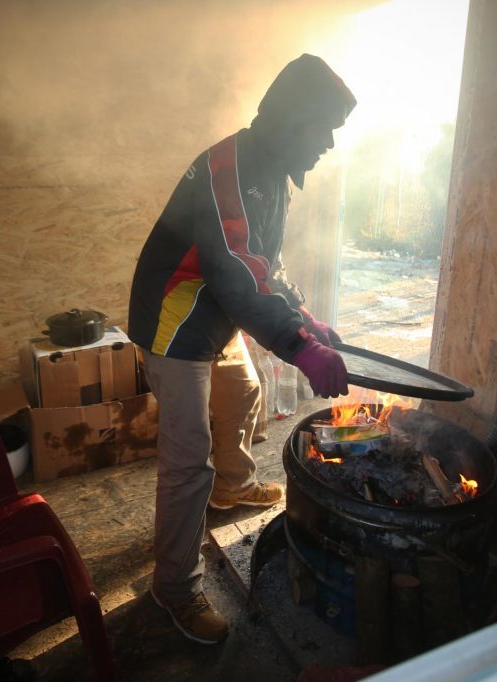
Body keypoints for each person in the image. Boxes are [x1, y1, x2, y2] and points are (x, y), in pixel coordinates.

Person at [127, 53, 355, 644]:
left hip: (213, 310)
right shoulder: (229, 168)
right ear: (294, 118)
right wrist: (299, 346)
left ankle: (231, 487)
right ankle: (174, 589)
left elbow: (263, 265)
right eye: (325, 127)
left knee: (246, 391)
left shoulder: (269, 173)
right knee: (187, 457)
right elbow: (235, 274)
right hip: (175, 319)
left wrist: (305, 314)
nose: (329, 143)